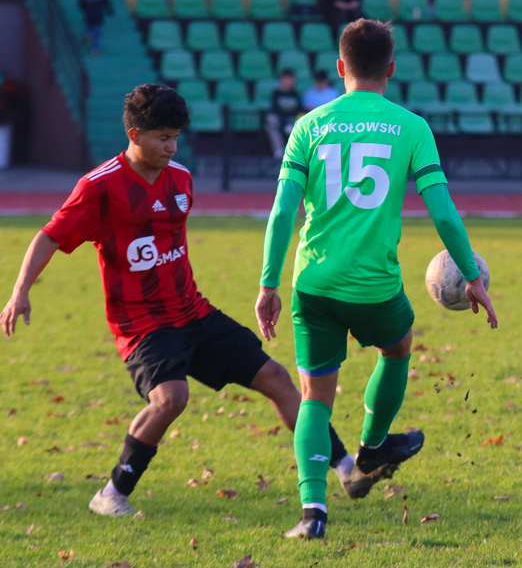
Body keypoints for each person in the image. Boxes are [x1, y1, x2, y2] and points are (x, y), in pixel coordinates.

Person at [0, 84, 392, 518]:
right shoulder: (100, 187)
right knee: (171, 399)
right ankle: (111, 493)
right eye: (162, 137)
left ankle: (345, 469)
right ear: (134, 134)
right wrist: (20, 291)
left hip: (193, 312)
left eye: (175, 137)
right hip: (143, 324)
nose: (171, 147)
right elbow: (50, 236)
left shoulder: (182, 179)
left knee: (277, 378)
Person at [255, 18, 498, 541]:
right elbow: (445, 213)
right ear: (391, 68)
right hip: (374, 285)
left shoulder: (310, 125)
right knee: (398, 345)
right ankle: (370, 447)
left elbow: (282, 212)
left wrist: (267, 284)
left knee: (315, 397)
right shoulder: (412, 127)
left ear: (340, 68)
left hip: (313, 282)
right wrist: (472, 274)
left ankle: (312, 513)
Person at [265, 70, 303, 159]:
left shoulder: (295, 94)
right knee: (270, 120)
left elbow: (300, 110)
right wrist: (284, 123)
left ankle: (296, 153)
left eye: (291, 79)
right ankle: (279, 150)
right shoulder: (276, 93)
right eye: (287, 79)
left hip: (292, 121)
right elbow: (274, 110)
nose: (289, 81)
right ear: (282, 80)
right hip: (280, 120)